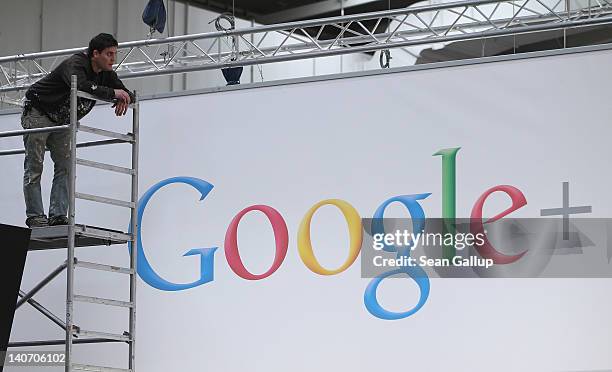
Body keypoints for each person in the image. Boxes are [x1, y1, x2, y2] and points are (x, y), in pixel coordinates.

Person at [22, 33, 134, 228]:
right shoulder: (75, 64)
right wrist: (113, 93)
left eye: (114, 54)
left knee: (65, 165)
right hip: (39, 111)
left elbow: (125, 92)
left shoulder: (106, 73)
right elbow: (82, 85)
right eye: (109, 54)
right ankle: (35, 216)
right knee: (35, 166)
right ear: (95, 54)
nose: (113, 59)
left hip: (63, 119)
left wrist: (123, 97)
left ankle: (57, 215)